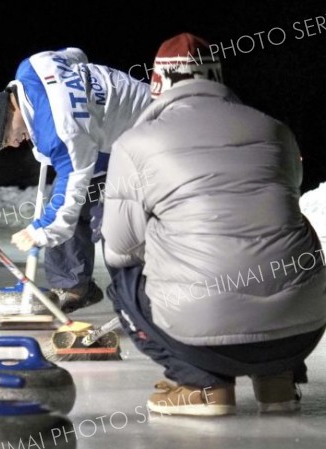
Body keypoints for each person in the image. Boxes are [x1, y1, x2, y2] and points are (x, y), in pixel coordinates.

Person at [101, 33, 326, 416]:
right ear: (217, 77)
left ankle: (202, 385)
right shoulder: (275, 129)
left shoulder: (134, 144)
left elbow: (120, 249)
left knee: (121, 276)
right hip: (302, 329)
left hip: (202, 333)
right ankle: (278, 381)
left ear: (158, 82)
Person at [0, 47, 151, 312]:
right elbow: (77, 55)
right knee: (64, 202)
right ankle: (73, 287)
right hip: (114, 135)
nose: (15, 144)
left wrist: (40, 230)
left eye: (6, 139)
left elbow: (72, 187)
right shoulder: (32, 66)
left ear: (8, 115)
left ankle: (140, 297)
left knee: (109, 214)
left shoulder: (60, 130)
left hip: (149, 138)